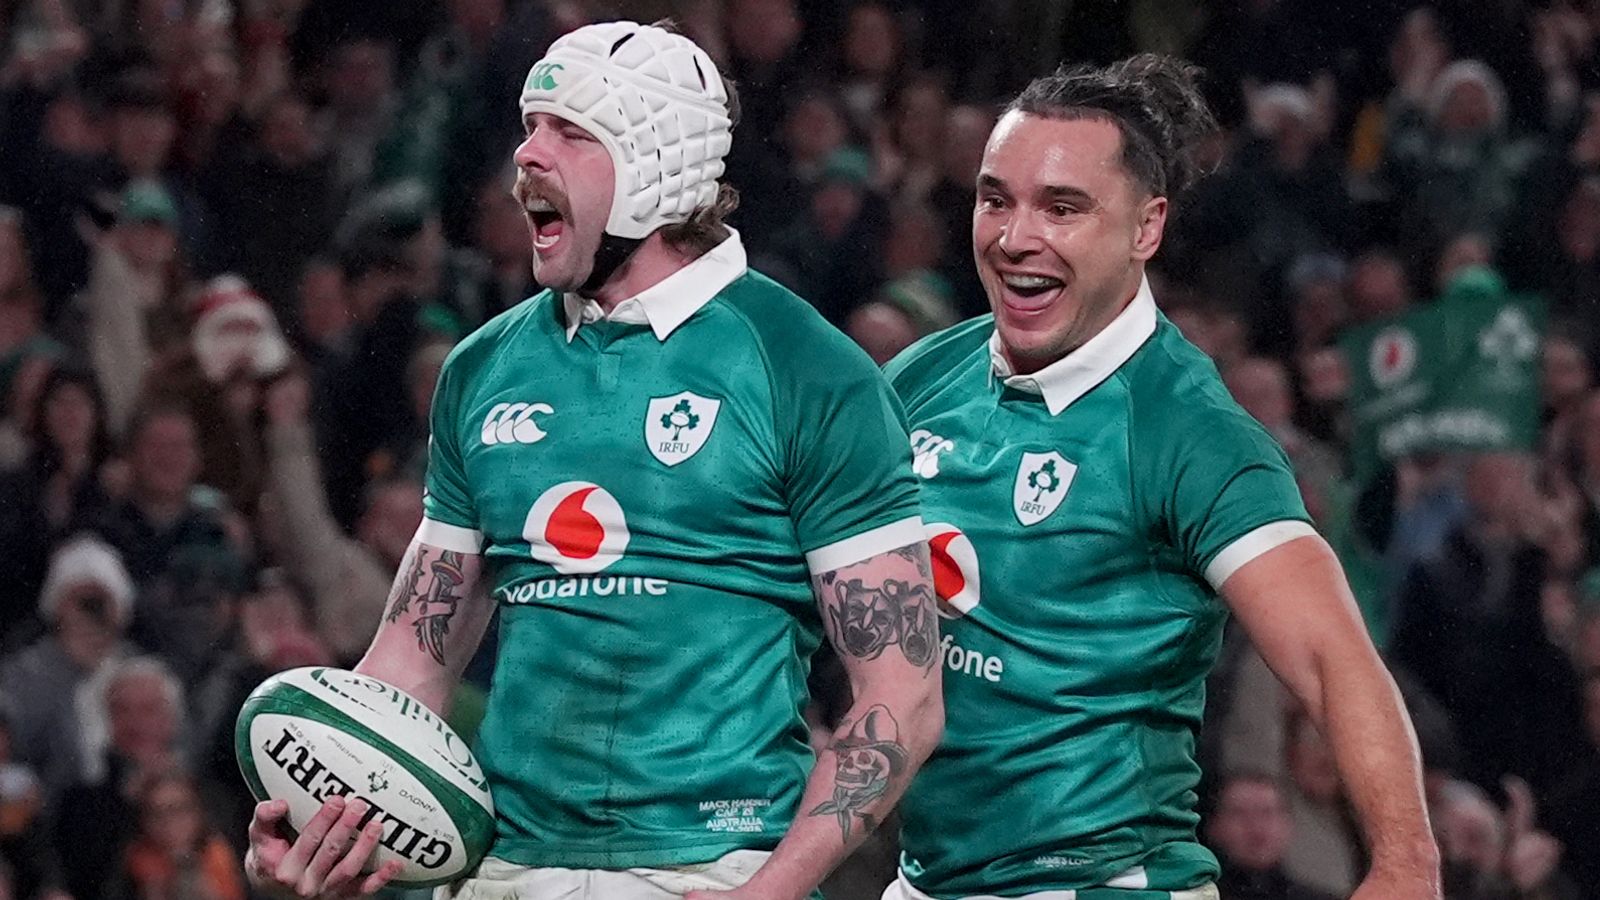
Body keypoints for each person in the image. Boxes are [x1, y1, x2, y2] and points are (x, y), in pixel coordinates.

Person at [244, 20, 942, 900]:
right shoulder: (482, 368)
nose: (526, 156)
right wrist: (322, 822)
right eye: (530, 127)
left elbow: (902, 691)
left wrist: (771, 891)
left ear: (660, 163)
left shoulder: (808, 369)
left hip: (716, 871)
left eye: (570, 132)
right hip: (502, 870)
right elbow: (413, 658)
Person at [883, 56, 1438, 899]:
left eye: (1062, 208)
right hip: (926, 879)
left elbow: (1332, 657)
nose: (1015, 236)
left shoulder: (1189, 433)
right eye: (996, 199)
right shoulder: (924, 378)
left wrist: (1405, 865)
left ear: (1147, 229)